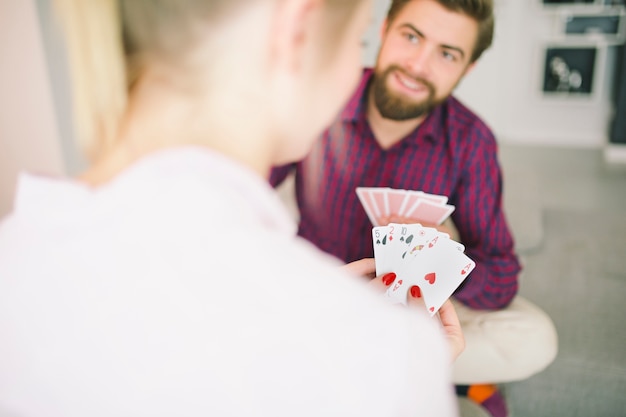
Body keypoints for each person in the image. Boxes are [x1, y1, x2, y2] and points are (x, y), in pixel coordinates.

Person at [0, 0, 468, 415]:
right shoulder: (382, 359)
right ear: (296, 30)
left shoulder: (14, 259)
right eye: (360, 38)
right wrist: (408, 374)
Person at [270, 0, 558, 416]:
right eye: (411, 36)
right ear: (384, 30)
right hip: (317, 293)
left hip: (408, 310)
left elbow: (501, 275)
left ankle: (415, 368)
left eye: (447, 53)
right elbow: (242, 188)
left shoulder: (471, 142)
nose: (418, 65)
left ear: (468, 68)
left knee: (534, 336)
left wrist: (443, 260)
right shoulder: (324, 93)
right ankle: (441, 377)